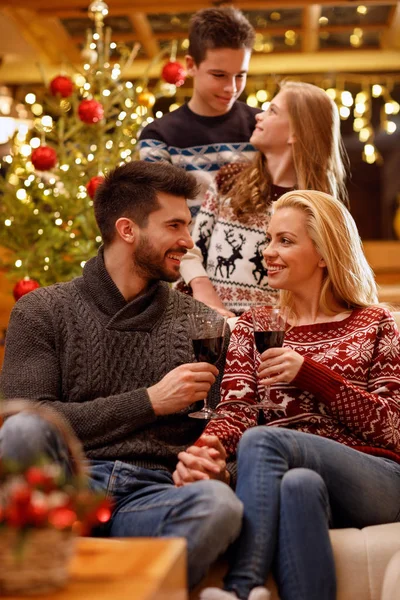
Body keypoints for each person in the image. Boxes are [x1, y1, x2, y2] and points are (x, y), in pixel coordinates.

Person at [0, 160, 243, 590]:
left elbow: (225, 429)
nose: (188, 242)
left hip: (151, 496)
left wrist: (217, 467)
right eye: (174, 226)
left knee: (217, 505)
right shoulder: (43, 311)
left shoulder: (203, 324)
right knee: (21, 428)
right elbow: (28, 418)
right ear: (128, 230)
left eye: (188, 225)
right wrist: (149, 401)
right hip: (66, 490)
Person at [173, 190, 400, 600]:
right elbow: (236, 411)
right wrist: (206, 449)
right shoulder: (253, 325)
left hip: (377, 480)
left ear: (325, 253)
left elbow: (392, 428)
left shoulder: (374, 323)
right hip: (299, 476)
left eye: (285, 241)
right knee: (297, 484)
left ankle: (242, 587)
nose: (268, 252)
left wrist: (310, 374)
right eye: (268, 239)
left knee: (265, 440)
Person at [180, 81, 349, 316]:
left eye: (272, 111)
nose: (259, 116)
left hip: (272, 335)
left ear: (296, 133)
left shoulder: (319, 208)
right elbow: (189, 249)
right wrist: (203, 290)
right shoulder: (229, 180)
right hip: (212, 325)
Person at [138, 6, 260, 222]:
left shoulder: (263, 126)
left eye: (240, 75)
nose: (231, 88)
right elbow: (163, 220)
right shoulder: (158, 136)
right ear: (191, 65)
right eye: (219, 75)